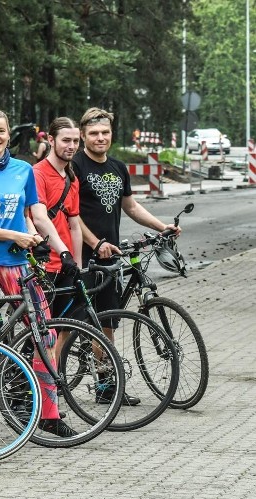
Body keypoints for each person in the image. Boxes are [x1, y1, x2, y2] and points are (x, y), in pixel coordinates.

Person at [0, 109, 79, 439]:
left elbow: (37, 214)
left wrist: (60, 247)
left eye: (1, 131)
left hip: (16, 264)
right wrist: (14, 235)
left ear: (9, 135)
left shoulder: (23, 170)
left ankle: (49, 413)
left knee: (44, 334)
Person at [73, 107, 181, 405]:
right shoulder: (77, 166)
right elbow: (73, 215)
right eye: (93, 133)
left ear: (111, 134)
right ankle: (102, 385)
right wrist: (95, 243)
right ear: (82, 135)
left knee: (106, 323)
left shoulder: (118, 167)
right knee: (88, 322)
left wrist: (163, 227)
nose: (100, 138)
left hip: (110, 256)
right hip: (84, 256)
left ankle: (106, 385)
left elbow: (131, 207)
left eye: (105, 133)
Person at [32, 117, 83, 318]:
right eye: (66, 140)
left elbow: (75, 226)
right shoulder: (37, 173)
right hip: (44, 264)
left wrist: (78, 265)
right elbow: (39, 219)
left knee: (65, 326)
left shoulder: (72, 178)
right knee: (43, 330)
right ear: (51, 140)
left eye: (76, 141)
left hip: (66, 265)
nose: (71, 146)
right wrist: (63, 253)